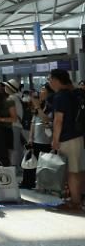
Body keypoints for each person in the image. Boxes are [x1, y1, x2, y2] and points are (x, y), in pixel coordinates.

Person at [48, 69, 85, 211]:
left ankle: (75, 202)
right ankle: (77, 199)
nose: (49, 82)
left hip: (67, 138)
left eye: (50, 79)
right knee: (78, 170)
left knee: (71, 172)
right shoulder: (73, 94)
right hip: (77, 137)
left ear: (56, 80)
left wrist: (55, 139)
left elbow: (58, 120)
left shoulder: (60, 97)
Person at [20, 84, 54, 189]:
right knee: (31, 161)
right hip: (36, 139)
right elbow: (33, 122)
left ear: (49, 92)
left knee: (44, 164)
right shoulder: (41, 104)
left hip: (47, 140)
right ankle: (28, 182)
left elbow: (46, 119)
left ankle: (43, 184)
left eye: (43, 89)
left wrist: (37, 107)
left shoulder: (52, 106)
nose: (40, 92)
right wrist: (30, 137)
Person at [0, 79, 25, 173]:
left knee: (14, 147)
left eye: (6, 86)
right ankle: (19, 166)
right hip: (18, 125)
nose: (4, 88)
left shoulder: (11, 99)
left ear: (10, 88)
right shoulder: (18, 97)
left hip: (13, 125)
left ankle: (15, 168)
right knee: (18, 147)